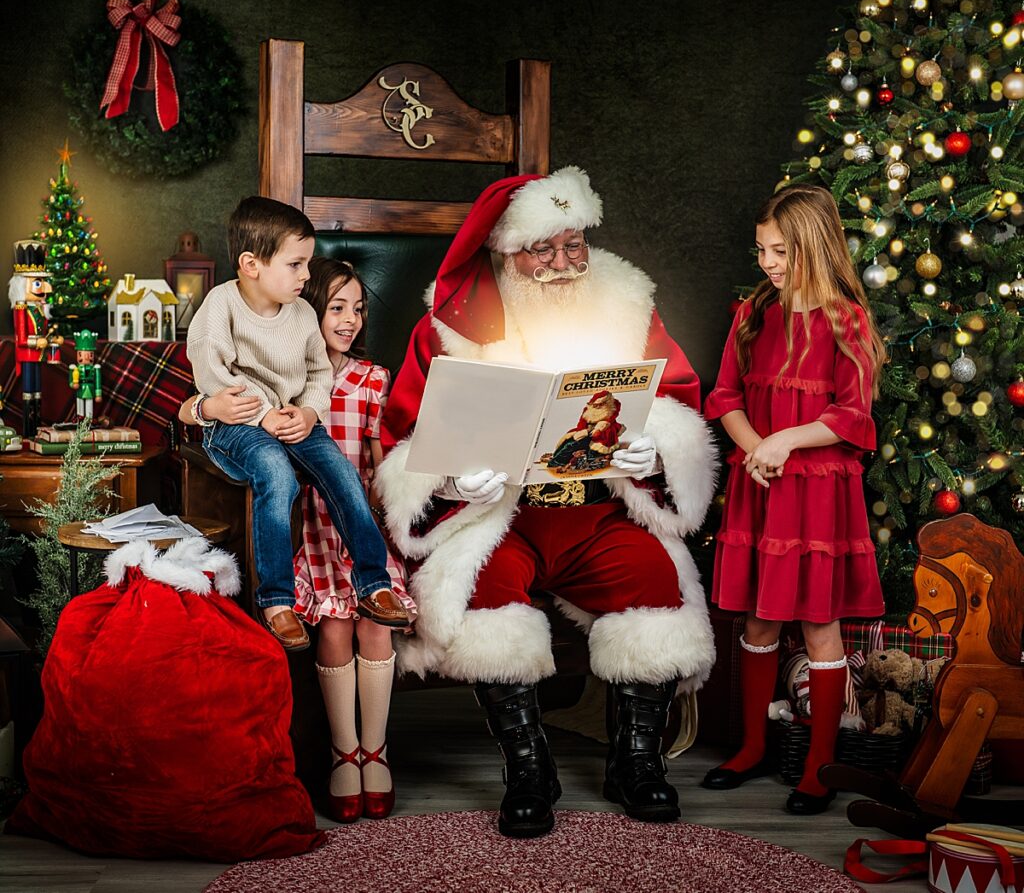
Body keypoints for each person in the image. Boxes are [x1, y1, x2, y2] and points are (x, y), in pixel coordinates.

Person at [376, 167, 718, 838]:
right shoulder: (451, 325)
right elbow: (406, 434)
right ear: (507, 250)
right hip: (504, 518)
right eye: (544, 249)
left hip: (597, 511)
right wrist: (449, 480)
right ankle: (529, 769)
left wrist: (656, 448)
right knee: (485, 594)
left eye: (574, 244)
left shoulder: (627, 301)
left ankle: (636, 762)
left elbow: (676, 395)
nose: (563, 263)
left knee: (654, 580)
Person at [700, 183, 886, 815]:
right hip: (762, 487)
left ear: (813, 246)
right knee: (758, 618)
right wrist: (757, 448)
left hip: (818, 496)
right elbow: (723, 396)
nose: (767, 264)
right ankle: (752, 747)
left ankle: (819, 766)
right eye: (760, 251)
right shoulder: (753, 316)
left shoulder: (845, 321)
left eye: (779, 251)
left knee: (819, 624)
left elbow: (852, 413)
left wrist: (785, 442)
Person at [184, 196, 410, 652]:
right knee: (276, 475)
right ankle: (277, 600)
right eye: (295, 264)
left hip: (294, 417)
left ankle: (373, 583)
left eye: (307, 264)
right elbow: (213, 374)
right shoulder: (221, 305)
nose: (306, 276)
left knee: (343, 473)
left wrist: (308, 412)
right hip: (239, 421)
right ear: (252, 264)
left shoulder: (303, 314)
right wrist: (265, 412)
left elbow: (317, 374)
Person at [9, 240, 63, 438]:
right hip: (29, 355)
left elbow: (45, 332)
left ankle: (37, 429)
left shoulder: (41, 309)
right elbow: (21, 338)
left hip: (39, 355)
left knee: (38, 393)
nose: (43, 287)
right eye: (37, 282)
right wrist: (35, 342)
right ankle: (29, 431)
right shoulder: (21, 310)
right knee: (29, 393)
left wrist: (52, 339)